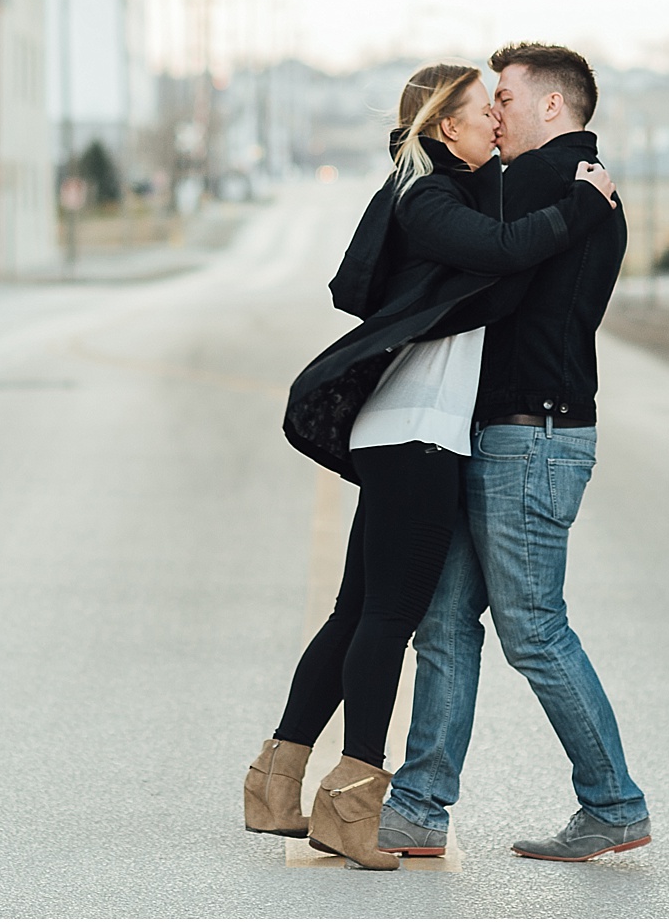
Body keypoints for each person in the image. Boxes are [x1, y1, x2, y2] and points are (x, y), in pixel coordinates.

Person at [251, 60, 618, 870]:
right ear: (445, 126)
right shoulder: (430, 198)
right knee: (391, 619)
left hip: (411, 432)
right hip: (419, 437)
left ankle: (274, 783)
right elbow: (509, 246)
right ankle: (354, 809)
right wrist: (584, 202)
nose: (496, 119)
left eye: (503, 104)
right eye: (484, 109)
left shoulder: (449, 190)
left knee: (358, 612)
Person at [377, 42, 653, 864]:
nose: (494, 112)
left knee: (532, 628)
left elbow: (458, 233)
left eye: (505, 96)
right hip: (503, 433)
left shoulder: (548, 184)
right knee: (446, 620)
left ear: (554, 107)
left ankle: (613, 803)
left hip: (532, 435)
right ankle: (418, 810)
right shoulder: (576, 186)